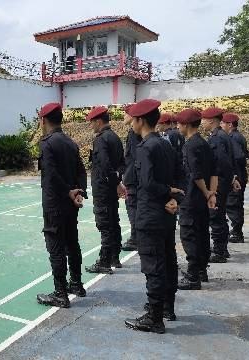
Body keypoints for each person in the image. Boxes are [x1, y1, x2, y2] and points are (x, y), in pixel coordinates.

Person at [124, 99, 182, 333]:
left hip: (149, 215)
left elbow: (147, 183)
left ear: (140, 121)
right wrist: (172, 197)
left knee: (153, 266)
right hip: (166, 215)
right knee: (168, 261)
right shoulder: (166, 143)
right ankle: (167, 307)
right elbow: (180, 174)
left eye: (133, 120)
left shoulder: (146, 147)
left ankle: (154, 317)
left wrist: (168, 193)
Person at [36, 102, 88, 308]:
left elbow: (50, 176)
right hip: (70, 204)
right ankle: (76, 283)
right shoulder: (70, 142)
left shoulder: (47, 143)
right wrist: (78, 192)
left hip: (55, 203)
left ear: (43, 120)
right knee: (72, 243)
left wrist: (68, 190)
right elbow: (82, 171)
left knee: (56, 247)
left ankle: (60, 293)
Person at [175, 109, 218, 290]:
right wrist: (212, 193)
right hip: (201, 199)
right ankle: (201, 271)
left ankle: (193, 275)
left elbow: (195, 175)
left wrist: (206, 192)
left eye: (179, 123)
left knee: (190, 235)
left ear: (186, 125)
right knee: (201, 233)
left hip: (191, 198)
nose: (177, 126)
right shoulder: (204, 143)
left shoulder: (190, 145)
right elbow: (215, 171)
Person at [84, 107, 125, 274]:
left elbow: (104, 166)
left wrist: (115, 183)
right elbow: (122, 164)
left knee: (105, 226)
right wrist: (118, 182)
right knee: (113, 222)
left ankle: (104, 261)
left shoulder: (101, 139)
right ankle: (115, 256)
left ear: (98, 121)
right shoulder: (114, 137)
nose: (91, 126)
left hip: (103, 189)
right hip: (111, 188)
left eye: (92, 123)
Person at [201, 107, 241, 263]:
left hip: (219, 183)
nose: (202, 123)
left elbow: (221, 163)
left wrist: (226, 180)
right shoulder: (221, 135)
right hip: (224, 181)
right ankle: (222, 248)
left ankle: (219, 251)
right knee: (220, 216)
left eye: (203, 120)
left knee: (216, 216)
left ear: (211, 120)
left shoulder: (217, 138)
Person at [221, 113, 249, 243]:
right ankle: (236, 231)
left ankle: (237, 233)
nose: (221, 125)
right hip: (239, 174)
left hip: (237, 175)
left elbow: (239, 156)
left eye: (223, 123)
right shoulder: (237, 136)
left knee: (233, 204)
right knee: (235, 203)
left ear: (230, 125)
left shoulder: (233, 137)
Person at [121, 104, 141, 252]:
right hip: (134, 178)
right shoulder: (135, 133)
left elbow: (134, 158)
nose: (124, 116)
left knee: (133, 208)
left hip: (133, 179)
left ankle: (135, 238)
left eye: (126, 113)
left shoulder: (134, 134)